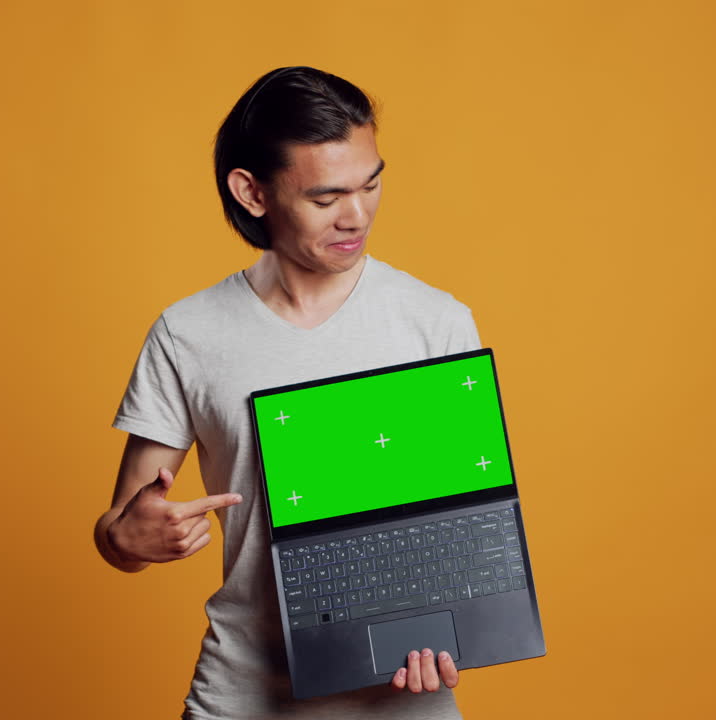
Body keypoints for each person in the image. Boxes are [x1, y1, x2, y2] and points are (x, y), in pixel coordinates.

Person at [94, 66, 480, 719]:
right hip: (244, 696)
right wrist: (130, 537)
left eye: (372, 183)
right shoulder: (188, 334)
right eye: (326, 198)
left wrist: (458, 623)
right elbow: (118, 535)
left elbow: (468, 523)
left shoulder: (435, 321)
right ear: (252, 192)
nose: (357, 215)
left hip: (403, 698)